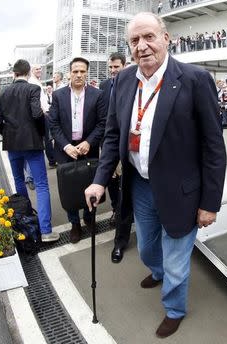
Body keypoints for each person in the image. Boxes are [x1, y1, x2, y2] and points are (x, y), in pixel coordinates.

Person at [85, 12, 226, 338]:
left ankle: (175, 308)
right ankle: (159, 271)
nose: (142, 46)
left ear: (166, 38)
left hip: (182, 191)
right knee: (148, 248)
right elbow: (112, 135)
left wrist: (210, 203)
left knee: (177, 260)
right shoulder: (123, 80)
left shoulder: (194, 79)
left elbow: (214, 147)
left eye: (149, 36)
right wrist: (99, 180)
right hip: (141, 185)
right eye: (134, 40)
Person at [0, 59, 59, 243]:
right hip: (32, 142)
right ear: (29, 73)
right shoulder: (33, 89)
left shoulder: (4, 93)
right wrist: (39, 133)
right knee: (41, 185)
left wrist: (7, 132)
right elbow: (37, 114)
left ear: (14, 74)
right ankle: (46, 230)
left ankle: (27, 220)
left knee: (19, 181)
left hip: (12, 144)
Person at [49, 57, 107, 244]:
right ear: (69, 73)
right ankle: (74, 224)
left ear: (87, 73)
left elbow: (102, 123)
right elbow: (54, 123)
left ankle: (89, 218)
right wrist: (66, 146)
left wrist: (89, 142)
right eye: (75, 71)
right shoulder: (58, 95)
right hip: (66, 148)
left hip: (87, 148)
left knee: (89, 183)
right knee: (69, 188)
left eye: (82, 71)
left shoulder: (97, 95)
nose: (79, 75)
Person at [99, 52, 133, 263]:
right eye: (110, 68)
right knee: (112, 185)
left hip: (129, 147)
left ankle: (120, 241)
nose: (113, 71)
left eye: (116, 67)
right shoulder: (104, 87)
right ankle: (116, 211)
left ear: (125, 65)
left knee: (124, 194)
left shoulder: (133, 83)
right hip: (109, 146)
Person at [29, 64, 57, 169]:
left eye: (40, 69)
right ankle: (51, 160)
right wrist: (44, 111)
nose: (39, 70)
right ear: (32, 71)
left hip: (44, 112)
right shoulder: (32, 82)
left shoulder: (37, 81)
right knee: (47, 137)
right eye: (37, 69)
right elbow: (36, 100)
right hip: (42, 113)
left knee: (47, 137)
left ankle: (51, 160)